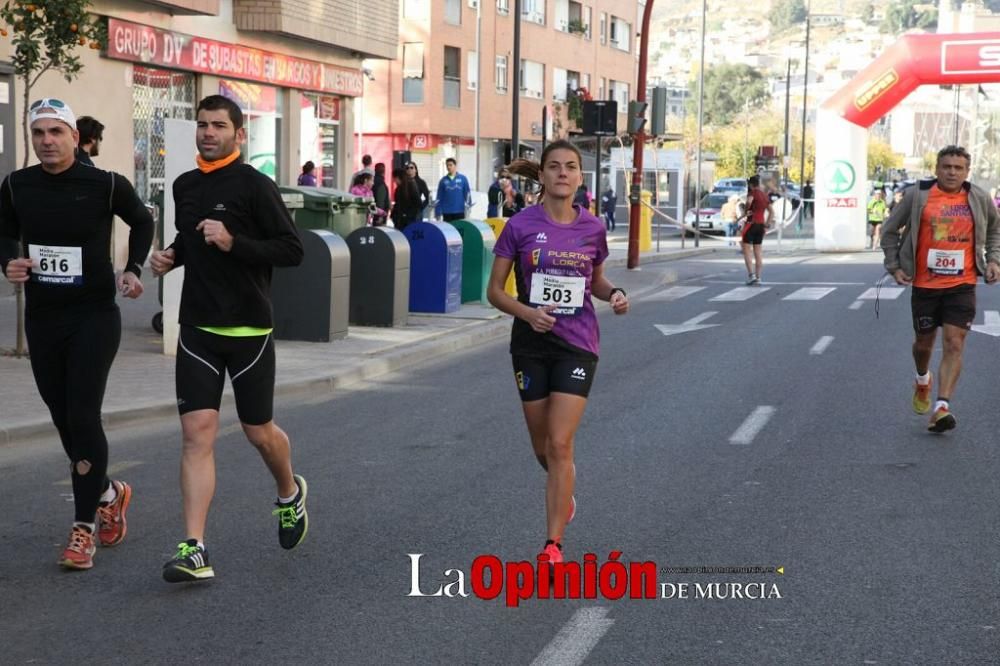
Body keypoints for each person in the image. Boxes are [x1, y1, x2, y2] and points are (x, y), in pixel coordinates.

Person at [149, 94, 307, 583]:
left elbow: (292, 250)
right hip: (196, 327)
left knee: (259, 432)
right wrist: (170, 255)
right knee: (196, 434)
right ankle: (194, 547)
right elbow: (189, 237)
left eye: (218, 125)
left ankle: (288, 491)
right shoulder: (184, 184)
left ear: (239, 134)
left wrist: (234, 242)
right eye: (202, 125)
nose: (208, 133)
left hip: (249, 329)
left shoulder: (256, 187)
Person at [0, 99, 153, 570]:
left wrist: (131, 269)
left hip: (93, 317)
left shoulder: (105, 184)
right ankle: (109, 491)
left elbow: (143, 220)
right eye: (39, 133)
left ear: (73, 136)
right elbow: (3, 233)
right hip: (44, 319)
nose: (47, 141)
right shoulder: (16, 185)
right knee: (62, 416)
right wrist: (9, 261)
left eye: (56, 132)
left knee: (84, 415)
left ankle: (83, 527)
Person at [486, 140, 630, 565]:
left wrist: (616, 294)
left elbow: (597, 282)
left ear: (580, 177)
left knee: (561, 442)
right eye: (554, 167)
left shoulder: (592, 228)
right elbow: (494, 292)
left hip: (577, 343)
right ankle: (562, 486)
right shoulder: (520, 226)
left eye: (570, 167)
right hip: (530, 344)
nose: (562, 173)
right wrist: (528, 314)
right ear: (543, 175)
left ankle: (553, 546)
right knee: (542, 447)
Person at [882, 145, 1000, 433]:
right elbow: (889, 230)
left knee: (954, 342)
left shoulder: (978, 197)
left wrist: (994, 258)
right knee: (923, 345)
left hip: (962, 284)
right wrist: (894, 265)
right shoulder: (918, 195)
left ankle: (941, 406)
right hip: (924, 284)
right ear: (937, 168)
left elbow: (996, 229)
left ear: (966, 172)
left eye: (958, 168)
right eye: (947, 166)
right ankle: (923, 380)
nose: (952, 172)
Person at [742, 176, 774, 285]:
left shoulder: (752, 193)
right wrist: (767, 224)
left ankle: (751, 275)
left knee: (746, 250)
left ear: (750, 184)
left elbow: (748, 202)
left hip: (751, 224)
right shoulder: (765, 196)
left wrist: (746, 211)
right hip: (761, 226)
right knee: (758, 251)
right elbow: (772, 212)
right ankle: (759, 277)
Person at [435, 157, 471, 222]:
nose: (448, 167)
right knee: (448, 231)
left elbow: (467, 194)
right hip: (447, 212)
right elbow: (439, 197)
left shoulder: (463, 179)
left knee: (458, 231)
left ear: (455, 166)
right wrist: (437, 211)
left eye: (450, 165)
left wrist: (468, 207)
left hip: (459, 211)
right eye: (447, 165)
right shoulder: (443, 181)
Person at [390, 167, 421, 233]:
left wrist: (407, 215)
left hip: (408, 220)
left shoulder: (409, 186)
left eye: (394, 178)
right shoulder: (399, 189)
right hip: (401, 219)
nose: (394, 180)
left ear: (397, 177)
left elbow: (418, 203)